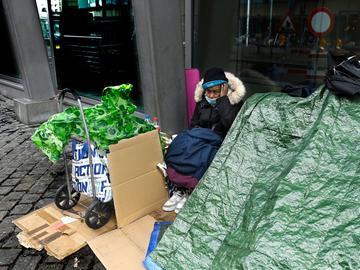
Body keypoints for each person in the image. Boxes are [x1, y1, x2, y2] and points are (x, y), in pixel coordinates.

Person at [162, 67, 246, 213]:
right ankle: (180, 189)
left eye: (215, 91)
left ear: (224, 88)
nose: (211, 95)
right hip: (200, 136)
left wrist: (223, 100)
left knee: (201, 156)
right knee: (179, 146)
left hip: (218, 141)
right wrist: (192, 139)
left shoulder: (234, 103)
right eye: (208, 91)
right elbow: (194, 124)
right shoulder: (202, 103)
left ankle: (190, 191)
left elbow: (231, 125)